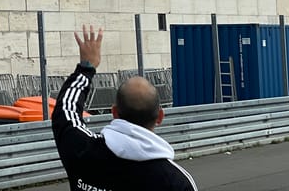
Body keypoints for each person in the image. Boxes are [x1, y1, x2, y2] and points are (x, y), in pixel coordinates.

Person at [52, 25, 197, 191]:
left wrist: (86, 67)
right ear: (160, 117)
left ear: (114, 112)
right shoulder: (176, 181)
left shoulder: (83, 149)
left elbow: (65, 109)